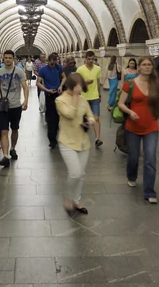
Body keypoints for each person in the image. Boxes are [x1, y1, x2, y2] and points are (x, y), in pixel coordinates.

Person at [117, 56, 159, 204]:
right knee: (133, 157)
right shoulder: (130, 84)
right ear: (139, 67)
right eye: (144, 64)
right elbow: (121, 103)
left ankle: (149, 191)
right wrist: (130, 112)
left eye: (150, 64)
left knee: (150, 158)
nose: (147, 67)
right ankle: (131, 176)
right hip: (133, 126)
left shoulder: (155, 84)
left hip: (151, 125)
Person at [56, 73, 95, 216]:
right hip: (67, 142)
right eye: (78, 86)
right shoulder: (60, 100)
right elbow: (70, 114)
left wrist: (90, 121)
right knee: (75, 173)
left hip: (83, 142)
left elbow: (90, 115)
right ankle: (68, 197)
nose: (80, 89)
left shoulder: (84, 99)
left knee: (81, 174)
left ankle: (76, 200)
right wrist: (75, 98)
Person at [0, 50, 28, 168]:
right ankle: (5, 155)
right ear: (3, 59)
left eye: (9, 57)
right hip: (3, 106)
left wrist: (26, 100)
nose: (7, 59)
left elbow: (24, 86)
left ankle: (13, 148)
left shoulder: (19, 72)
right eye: (6, 57)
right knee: (3, 131)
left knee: (14, 129)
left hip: (15, 106)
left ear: (13, 59)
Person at [37, 53, 66, 149]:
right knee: (50, 117)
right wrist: (46, 89)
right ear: (48, 61)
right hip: (49, 95)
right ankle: (51, 139)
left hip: (58, 94)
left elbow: (64, 77)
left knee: (58, 116)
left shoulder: (58, 67)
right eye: (52, 63)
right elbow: (38, 82)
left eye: (55, 62)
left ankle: (56, 134)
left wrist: (61, 86)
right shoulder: (43, 70)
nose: (53, 64)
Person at [77, 51, 103, 147]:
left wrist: (100, 95)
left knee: (96, 118)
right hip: (84, 97)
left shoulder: (98, 69)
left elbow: (98, 82)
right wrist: (85, 82)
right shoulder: (80, 69)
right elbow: (78, 83)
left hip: (95, 96)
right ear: (85, 58)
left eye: (92, 59)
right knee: (83, 119)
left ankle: (97, 139)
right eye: (89, 59)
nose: (91, 61)